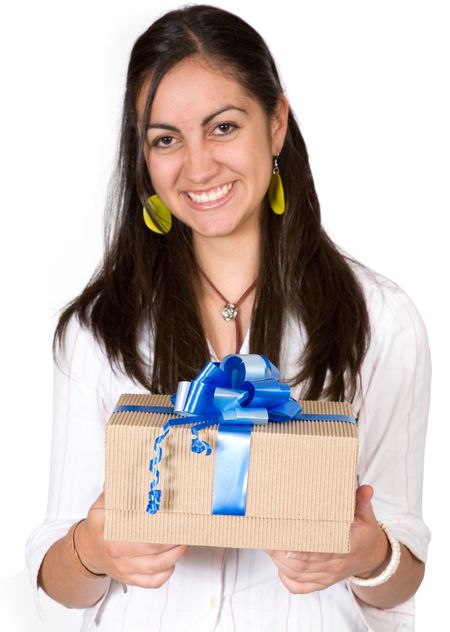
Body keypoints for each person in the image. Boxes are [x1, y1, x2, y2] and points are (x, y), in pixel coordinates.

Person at [26, 4, 430, 631]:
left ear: (276, 125)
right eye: (165, 139)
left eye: (222, 127)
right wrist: (94, 550)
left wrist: (369, 554)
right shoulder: (98, 329)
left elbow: (402, 575)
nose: (197, 167)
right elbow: (57, 579)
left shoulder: (381, 320)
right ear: (143, 158)